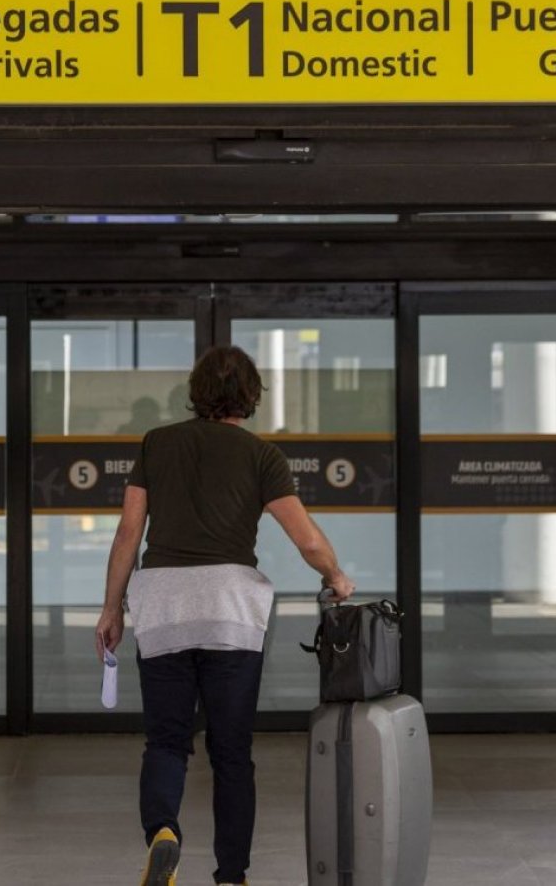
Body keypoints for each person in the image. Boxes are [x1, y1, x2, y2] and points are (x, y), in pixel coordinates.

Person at [94, 346, 356, 886]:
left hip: (163, 606)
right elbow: (306, 539)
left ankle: (163, 833)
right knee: (232, 751)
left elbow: (128, 533)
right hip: (230, 611)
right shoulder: (262, 455)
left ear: (195, 392)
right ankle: (231, 875)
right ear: (252, 395)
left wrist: (111, 607)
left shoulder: (156, 443)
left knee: (166, 740)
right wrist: (335, 575)